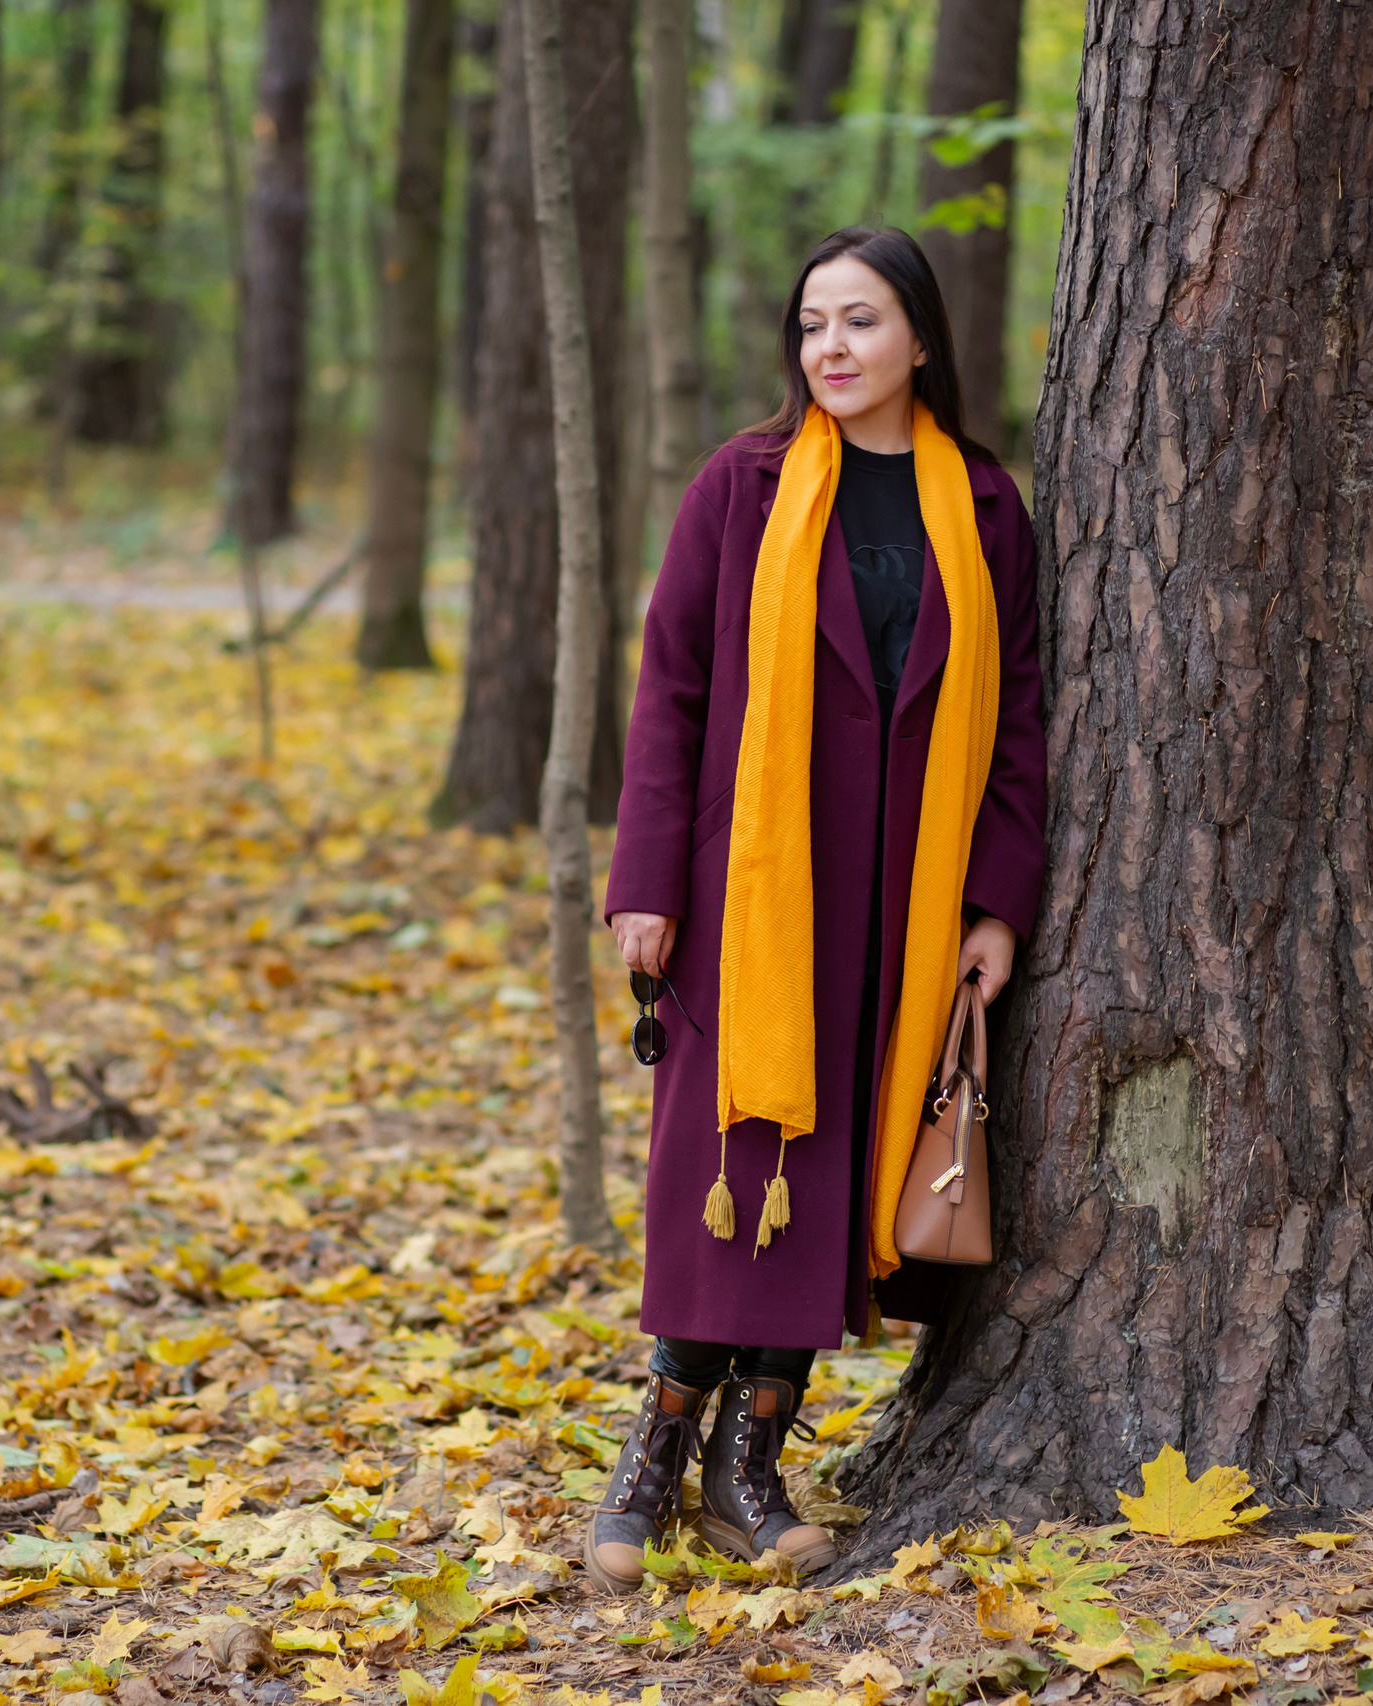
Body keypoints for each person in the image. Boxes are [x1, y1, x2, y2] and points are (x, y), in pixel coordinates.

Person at [582, 227, 1048, 1590]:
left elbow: (1018, 719)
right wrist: (646, 882)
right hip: (752, 891)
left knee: (835, 1173)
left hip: (903, 906)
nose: (829, 349)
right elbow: (670, 687)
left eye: (859, 321)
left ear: (920, 339)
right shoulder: (746, 483)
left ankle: (751, 1464)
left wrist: (997, 904)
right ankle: (658, 1447)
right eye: (810, 326)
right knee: (726, 1169)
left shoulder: (985, 506)